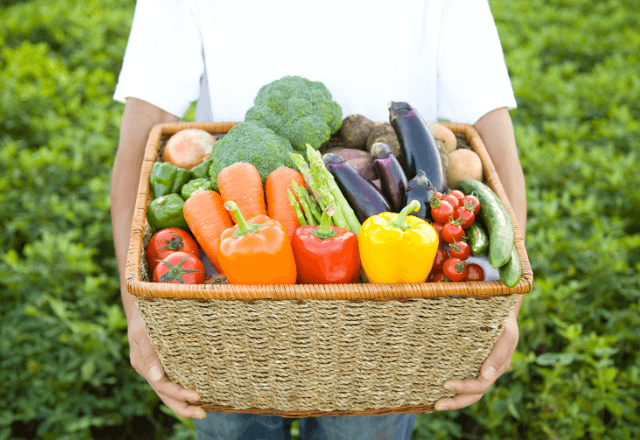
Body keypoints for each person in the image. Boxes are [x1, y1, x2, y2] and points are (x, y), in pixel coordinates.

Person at [110, 0, 527, 438]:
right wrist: (135, 309)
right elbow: (141, 141)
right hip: (227, 317)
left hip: (386, 321)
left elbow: (495, 146)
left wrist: (506, 310)